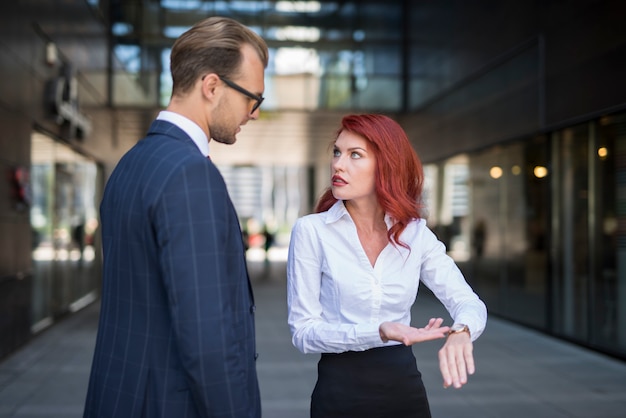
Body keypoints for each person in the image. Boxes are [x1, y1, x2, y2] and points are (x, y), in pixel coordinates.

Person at [84, 16, 268, 418]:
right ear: (212, 86)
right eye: (252, 98)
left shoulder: (131, 164)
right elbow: (208, 337)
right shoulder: (190, 174)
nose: (253, 113)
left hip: (120, 396)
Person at [287, 114, 487, 417]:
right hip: (340, 390)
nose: (339, 164)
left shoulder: (415, 233)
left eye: (356, 155)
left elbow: (467, 301)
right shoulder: (311, 231)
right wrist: (379, 331)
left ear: (386, 165)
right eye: (337, 152)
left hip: (403, 390)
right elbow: (303, 332)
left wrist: (461, 331)